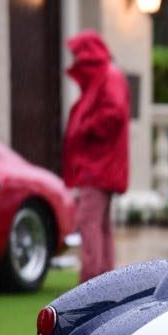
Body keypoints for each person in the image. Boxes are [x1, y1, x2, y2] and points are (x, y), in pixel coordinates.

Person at [61, 29, 130, 283]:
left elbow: (113, 115)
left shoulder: (108, 77)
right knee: (99, 225)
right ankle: (102, 279)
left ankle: (92, 280)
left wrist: (84, 127)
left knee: (89, 222)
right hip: (100, 164)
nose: (75, 61)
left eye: (78, 54)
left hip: (98, 165)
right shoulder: (107, 76)